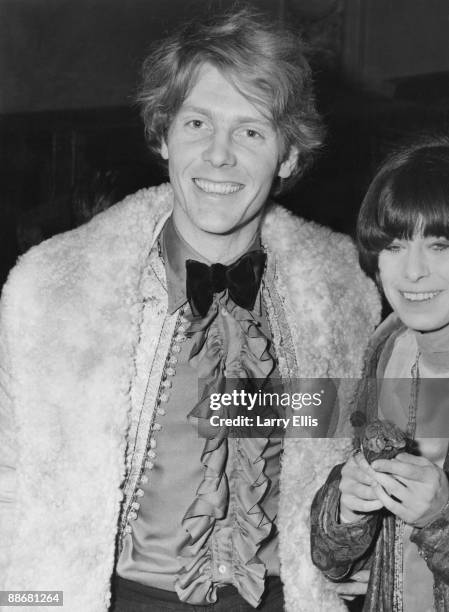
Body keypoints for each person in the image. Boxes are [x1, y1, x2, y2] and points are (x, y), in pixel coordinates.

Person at [0, 9, 379, 612]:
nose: (219, 155)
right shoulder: (52, 292)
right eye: (198, 122)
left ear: (288, 155)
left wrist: (359, 550)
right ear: (163, 135)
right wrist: (28, 603)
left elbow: (353, 443)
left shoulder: (345, 295)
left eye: (251, 131)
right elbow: (11, 489)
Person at [310, 135, 449, 611]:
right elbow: (334, 559)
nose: (413, 272)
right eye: (393, 246)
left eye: (440, 245)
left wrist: (441, 519)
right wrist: (347, 508)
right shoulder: (387, 349)